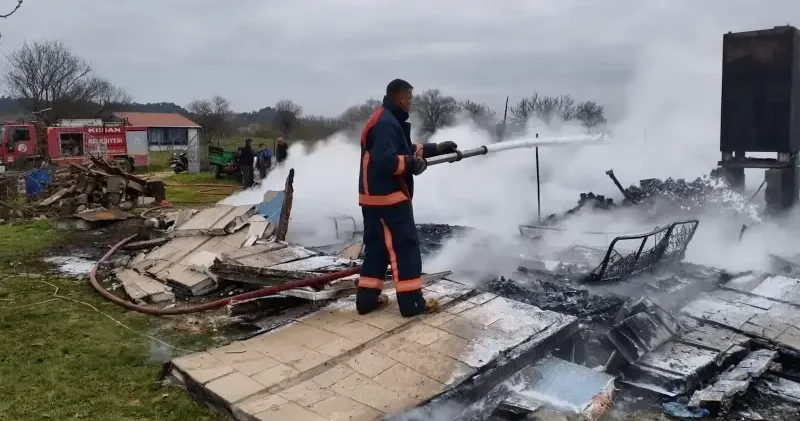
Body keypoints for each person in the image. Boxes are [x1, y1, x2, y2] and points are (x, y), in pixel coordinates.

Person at [357, 79, 458, 317]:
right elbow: (387, 161)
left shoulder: (387, 120)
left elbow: (402, 149)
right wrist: (411, 165)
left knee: (378, 250)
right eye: (410, 98)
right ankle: (412, 303)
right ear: (401, 97)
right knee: (406, 249)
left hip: (375, 200)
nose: (412, 102)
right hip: (389, 199)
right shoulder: (385, 124)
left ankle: (366, 300)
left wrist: (437, 148)